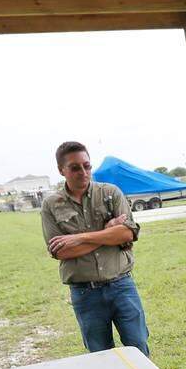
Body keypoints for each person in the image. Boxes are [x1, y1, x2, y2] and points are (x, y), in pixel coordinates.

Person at [41, 141, 150, 356]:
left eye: (87, 165)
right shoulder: (51, 204)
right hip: (85, 293)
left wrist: (79, 238)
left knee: (138, 349)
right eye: (75, 167)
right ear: (61, 170)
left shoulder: (111, 193)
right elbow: (61, 251)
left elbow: (127, 233)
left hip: (122, 286)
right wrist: (108, 233)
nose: (83, 172)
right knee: (100, 356)